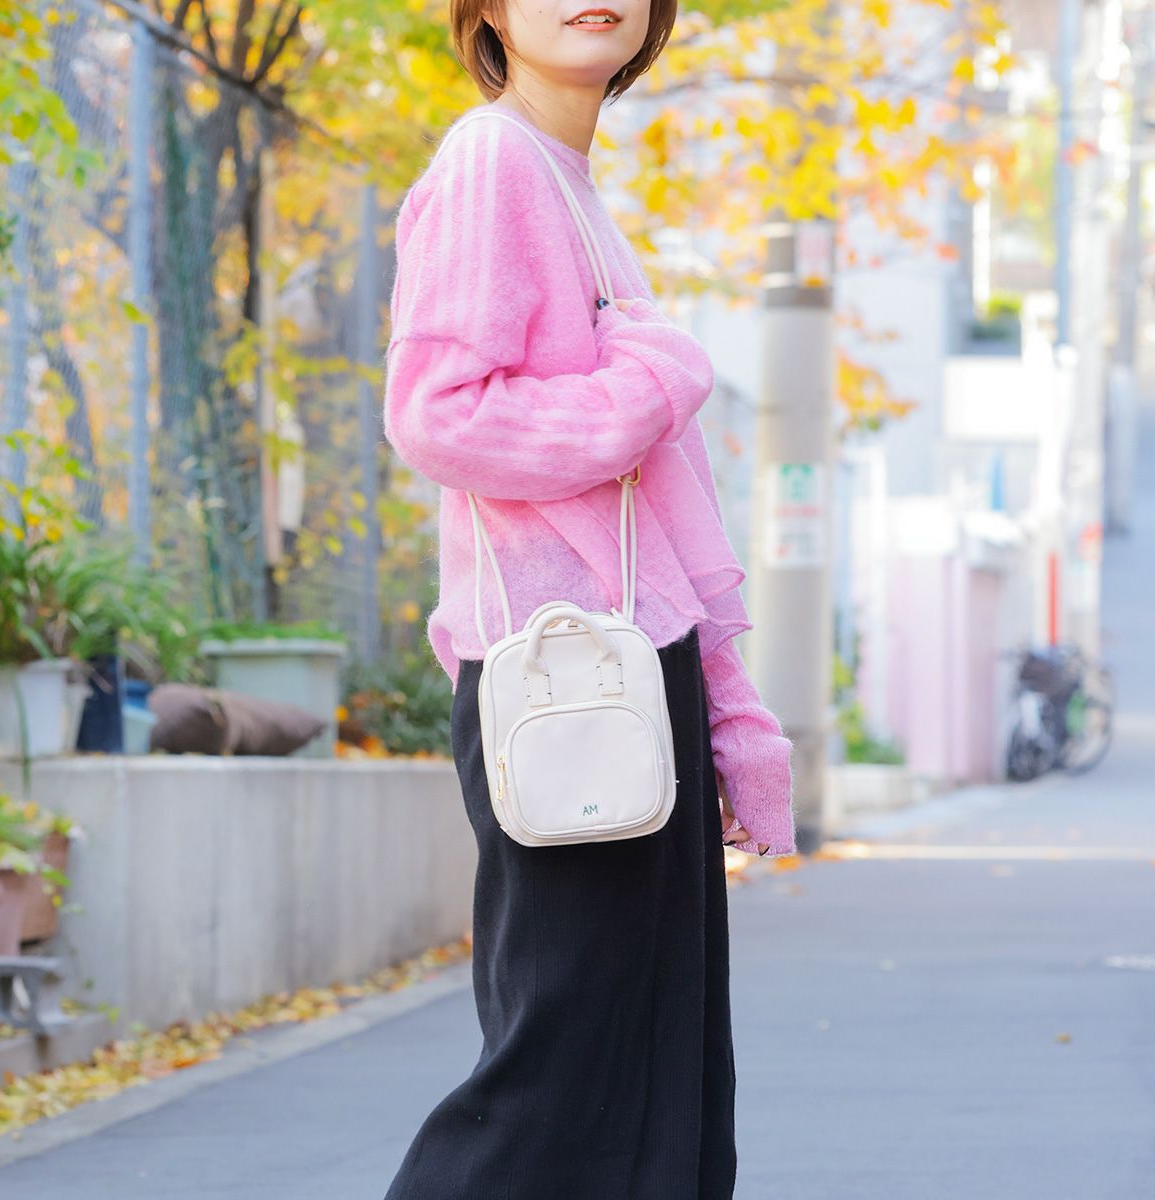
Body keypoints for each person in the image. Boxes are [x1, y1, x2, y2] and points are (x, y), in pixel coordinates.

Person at [380, 3, 795, 1196]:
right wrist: (647, 389)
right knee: (561, 1085)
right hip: (562, 677)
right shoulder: (493, 160)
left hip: (623, 671)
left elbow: (655, 517)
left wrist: (728, 715)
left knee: (660, 1090)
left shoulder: (567, 186)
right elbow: (439, 415)